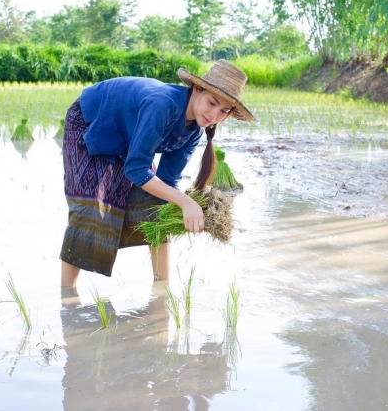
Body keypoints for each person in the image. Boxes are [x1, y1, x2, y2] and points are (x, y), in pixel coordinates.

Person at [60, 59, 254, 287]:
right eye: (212, 103)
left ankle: (162, 289)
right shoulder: (163, 105)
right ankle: (67, 294)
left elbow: (167, 181)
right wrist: (184, 201)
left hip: (128, 134)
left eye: (223, 111)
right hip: (92, 120)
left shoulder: (194, 132)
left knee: (155, 204)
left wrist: (182, 203)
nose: (214, 115)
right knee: (92, 205)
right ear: (197, 89)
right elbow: (136, 169)